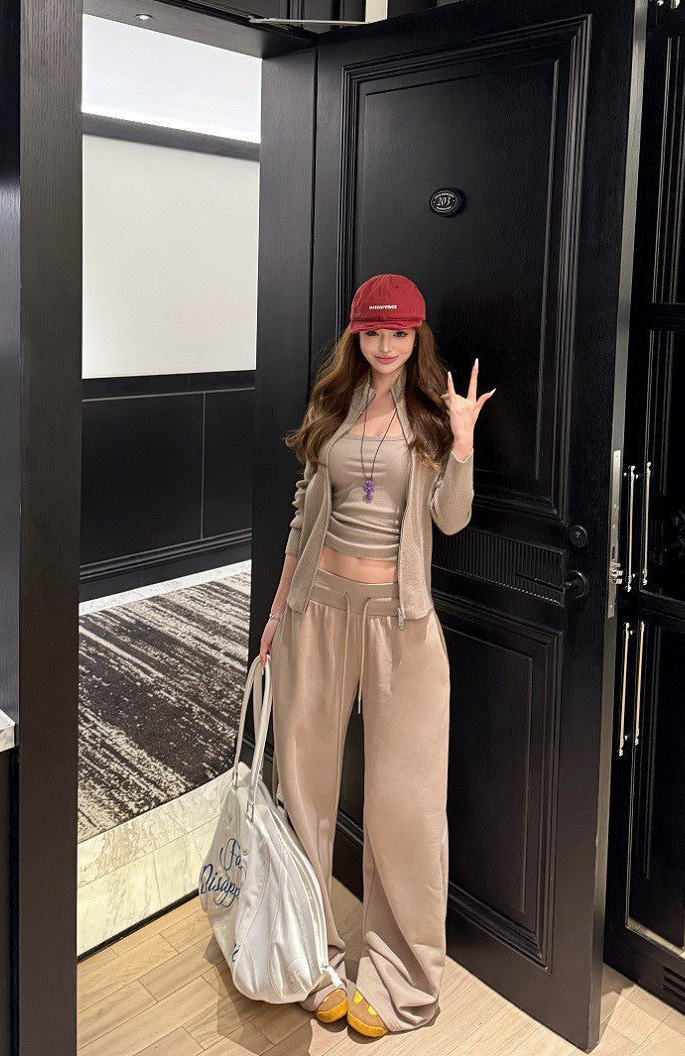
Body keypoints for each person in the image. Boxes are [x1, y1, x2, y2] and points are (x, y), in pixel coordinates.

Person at [259, 274, 495, 1037]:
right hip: (316, 612)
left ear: (416, 336)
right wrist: (276, 616)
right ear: (356, 336)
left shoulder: (431, 415)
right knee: (304, 792)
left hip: (401, 624)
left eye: (398, 332)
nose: (385, 345)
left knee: (406, 805)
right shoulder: (331, 405)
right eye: (372, 331)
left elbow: (451, 521)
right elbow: (303, 518)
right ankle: (310, 959)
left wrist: (462, 444)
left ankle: (402, 978)